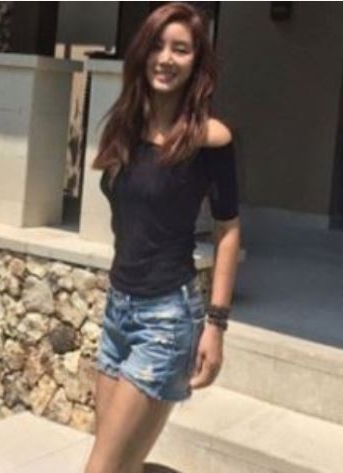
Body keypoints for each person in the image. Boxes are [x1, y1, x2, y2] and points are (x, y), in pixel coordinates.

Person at [85, 3, 241, 472]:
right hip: (118, 310)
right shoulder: (126, 128)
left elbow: (228, 230)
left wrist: (216, 324)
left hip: (166, 320)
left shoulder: (210, 139)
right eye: (157, 45)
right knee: (119, 465)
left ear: (197, 62)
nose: (166, 58)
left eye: (181, 49)